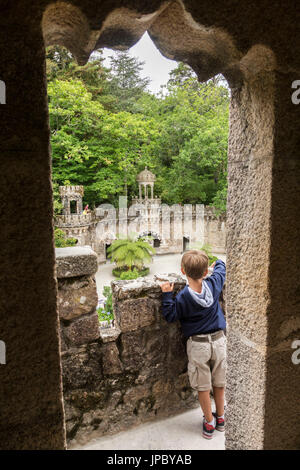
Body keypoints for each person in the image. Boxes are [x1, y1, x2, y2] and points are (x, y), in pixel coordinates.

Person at [160, 250, 226, 439]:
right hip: (220, 341)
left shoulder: (182, 298)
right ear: (206, 272)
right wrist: (216, 265)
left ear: (182, 270)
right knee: (220, 383)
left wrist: (167, 295)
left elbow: (171, 315)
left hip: (198, 346)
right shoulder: (214, 283)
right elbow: (221, 267)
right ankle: (221, 418)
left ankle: (209, 422)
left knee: (203, 386)